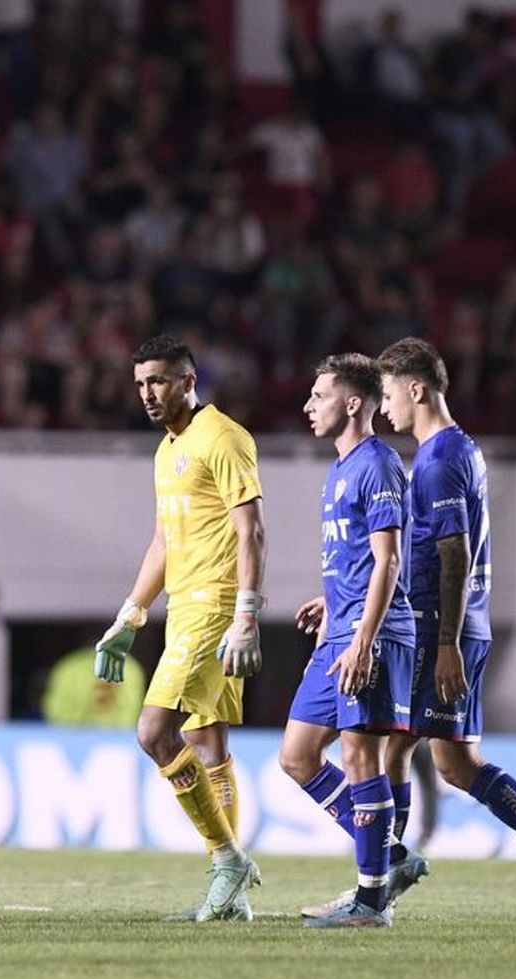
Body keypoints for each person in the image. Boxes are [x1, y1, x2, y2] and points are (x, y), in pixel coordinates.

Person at [375, 337, 516, 920]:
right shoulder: (458, 449)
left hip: (441, 628)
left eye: (388, 392)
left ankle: (382, 880)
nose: (384, 407)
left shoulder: (440, 458)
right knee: (453, 764)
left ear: (416, 388)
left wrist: (444, 640)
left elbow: (454, 552)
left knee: (388, 747)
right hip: (460, 626)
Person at [92, 334, 265, 923]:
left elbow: (252, 531)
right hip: (182, 610)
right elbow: (164, 542)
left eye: (159, 380)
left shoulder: (224, 437)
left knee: (153, 731)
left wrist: (246, 614)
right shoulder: (167, 451)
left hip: (214, 607)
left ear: (190, 382)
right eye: (140, 383)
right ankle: (231, 895)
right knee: (211, 743)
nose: (147, 393)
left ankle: (227, 860)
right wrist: (129, 616)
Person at [277, 353, 412, 929]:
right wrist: (332, 601)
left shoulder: (377, 465)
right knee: (298, 755)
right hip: (341, 627)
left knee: (360, 755)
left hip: (369, 635)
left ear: (353, 403)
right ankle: (390, 859)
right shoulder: (340, 469)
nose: (309, 405)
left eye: (319, 395)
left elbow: (391, 558)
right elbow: (358, 557)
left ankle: (371, 898)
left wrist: (362, 637)